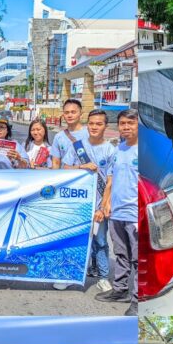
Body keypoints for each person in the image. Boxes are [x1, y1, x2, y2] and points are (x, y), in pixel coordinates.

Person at [62, 110, 116, 295]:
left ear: (105, 127)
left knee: (100, 241)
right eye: (91, 123)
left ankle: (103, 277)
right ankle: (70, 275)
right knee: (75, 239)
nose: (94, 127)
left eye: (99, 124)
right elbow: (65, 168)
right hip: (77, 203)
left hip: (99, 204)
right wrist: (82, 166)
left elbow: (110, 181)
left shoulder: (110, 150)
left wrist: (103, 207)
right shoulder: (77, 146)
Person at [97, 109, 138, 310]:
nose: (126, 127)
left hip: (135, 215)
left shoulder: (142, 151)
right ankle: (120, 289)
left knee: (139, 259)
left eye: (131, 123)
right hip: (117, 213)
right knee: (121, 254)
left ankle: (138, 301)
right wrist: (106, 203)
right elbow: (111, 179)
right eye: (122, 124)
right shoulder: (119, 149)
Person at [51, 99, 85, 169]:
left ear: (81, 114)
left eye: (73, 112)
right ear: (63, 115)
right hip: (66, 176)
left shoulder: (90, 134)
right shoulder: (58, 137)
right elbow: (56, 162)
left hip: (85, 177)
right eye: (66, 113)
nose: (69, 115)